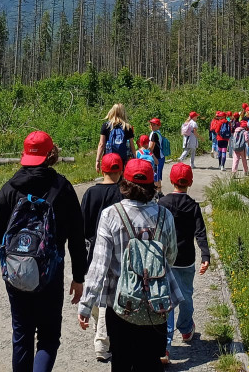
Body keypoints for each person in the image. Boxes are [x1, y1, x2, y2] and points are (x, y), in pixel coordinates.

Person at [0, 131, 87, 372]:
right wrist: (79, 277)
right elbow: (76, 237)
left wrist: (16, 246)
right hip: (50, 274)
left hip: (17, 273)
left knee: (22, 334)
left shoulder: (11, 187)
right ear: (51, 155)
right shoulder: (62, 188)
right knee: (49, 337)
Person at [78, 158, 180, 372]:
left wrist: (86, 304)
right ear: (152, 185)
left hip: (120, 303)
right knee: (150, 361)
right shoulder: (165, 216)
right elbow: (170, 256)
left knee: (122, 361)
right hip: (155, 302)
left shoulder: (111, 215)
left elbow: (99, 264)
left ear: (125, 183)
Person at [158, 163, 210, 363]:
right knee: (186, 296)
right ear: (190, 182)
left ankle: (165, 347)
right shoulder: (193, 206)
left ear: (171, 180)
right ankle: (187, 329)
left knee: (167, 301)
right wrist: (205, 256)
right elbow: (200, 233)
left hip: (165, 260)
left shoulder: (161, 204)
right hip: (186, 259)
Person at [81, 153, 125, 363]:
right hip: (117, 251)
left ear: (102, 169)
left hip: (94, 249)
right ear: (120, 170)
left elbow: (83, 226)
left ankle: (101, 340)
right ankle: (103, 340)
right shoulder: (123, 192)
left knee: (98, 293)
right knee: (110, 297)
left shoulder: (90, 193)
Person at [97, 104, 134, 171]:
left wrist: (97, 160)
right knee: (121, 178)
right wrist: (134, 158)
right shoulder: (127, 127)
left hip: (108, 158)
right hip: (122, 158)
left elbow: (101, 144)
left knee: (109, 178)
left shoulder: (106, 126)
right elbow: (131, 145)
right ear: (123, 112)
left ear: (112, 111)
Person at [147, 117, 166, 184]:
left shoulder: (154, 134)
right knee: (158, 177)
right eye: (151, 124)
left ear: (158, 126)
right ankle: (159, 192)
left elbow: (151, 148)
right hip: (161, 157)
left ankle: (157, 192)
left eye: (154, 125)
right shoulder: (158, 133)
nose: (152, 126)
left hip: (157, 158)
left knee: (155, 177)